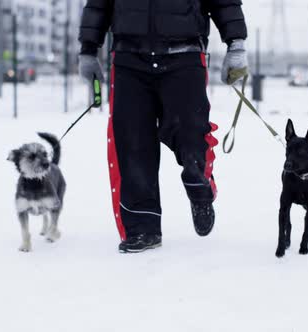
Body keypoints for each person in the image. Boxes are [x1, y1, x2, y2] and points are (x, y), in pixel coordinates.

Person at [78, 0, 248, 253]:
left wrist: (236, 45)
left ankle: (199, 183)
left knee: (191, 133)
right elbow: (99, 4)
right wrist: (88, 50)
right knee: (132, 143)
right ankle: (142, 227)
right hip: (128, 60)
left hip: (185, 55)